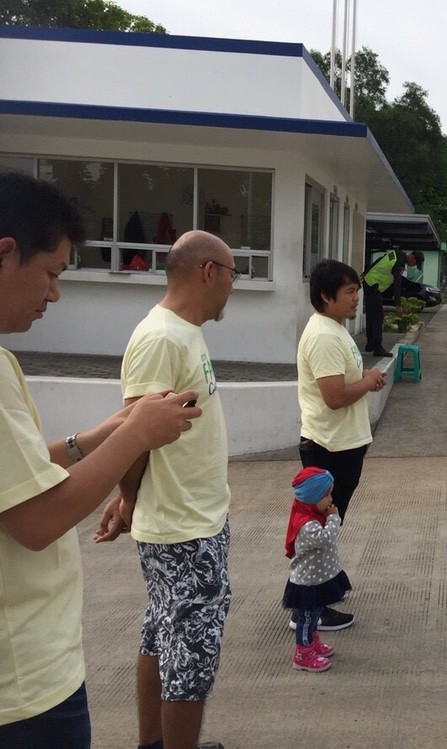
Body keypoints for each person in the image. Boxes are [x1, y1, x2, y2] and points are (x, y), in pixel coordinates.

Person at [0, 173, 199, 748]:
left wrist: (94, 437)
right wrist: (133, 436)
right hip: (24, 687)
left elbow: (17, 472)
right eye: (52, 273)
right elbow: (36, 518)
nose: (54, 294)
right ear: (5, 254)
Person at [93, 230, 238, 749]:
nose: (233, 286)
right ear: (208, 272)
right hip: (182, 527)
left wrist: (132, 498)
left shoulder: (184, 332)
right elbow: (132, 435)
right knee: (190, 657)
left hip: (192, 516)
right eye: (232, 274)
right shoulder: (162, 339)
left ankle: (154, 744)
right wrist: (130, 499)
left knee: (162, 635)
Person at [297, 259, 386, 631]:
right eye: (349, 291)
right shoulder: (323, 336)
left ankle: (320, 593)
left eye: (356, 291)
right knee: (319, 530)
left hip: (342, 444)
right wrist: (367, 381)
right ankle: (308, 609)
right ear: (326, 296)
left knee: (329, 525)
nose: (356, 298)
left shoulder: (335, 330)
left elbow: (344, 382)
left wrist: (365, 378)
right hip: (328, 447)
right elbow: (333, 397)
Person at [283, 467, 351, 673]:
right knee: (306, 619)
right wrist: (334, 519)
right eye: (326, 495)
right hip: (307, 584)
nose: (331, 499)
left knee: (314, 615)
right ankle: (303, 654)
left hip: (317, 579)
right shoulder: (307, 524)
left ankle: (312, 644)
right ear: (312, 497)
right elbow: (325, 538)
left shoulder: (312, 515)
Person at [361, 248, 424, 357]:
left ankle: (370, 344)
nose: (414, 265)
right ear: (412, 257)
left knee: (371, 315)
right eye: (415, 263)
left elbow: (380, 260)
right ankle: (378, 348)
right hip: (373, 285)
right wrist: (398, 305)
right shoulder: (399, 263)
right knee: (378, 317)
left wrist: (366, 272)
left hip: (369, 282)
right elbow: (397, 284)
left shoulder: (395, 254)